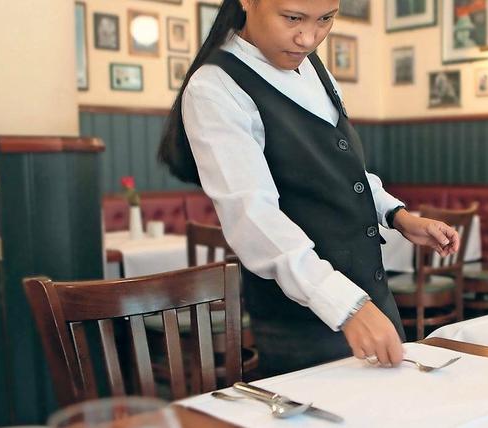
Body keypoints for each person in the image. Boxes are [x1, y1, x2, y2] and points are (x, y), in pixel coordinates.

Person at [157, 0, 460, 375]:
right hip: (306, 320)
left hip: (372, 301)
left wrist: (397, 216)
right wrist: (346, 306)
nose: (308, 38)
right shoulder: (215, 86)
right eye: (293, 18)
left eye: (325, 20)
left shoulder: (313, 68)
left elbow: (344, 169)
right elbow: (254, 219)